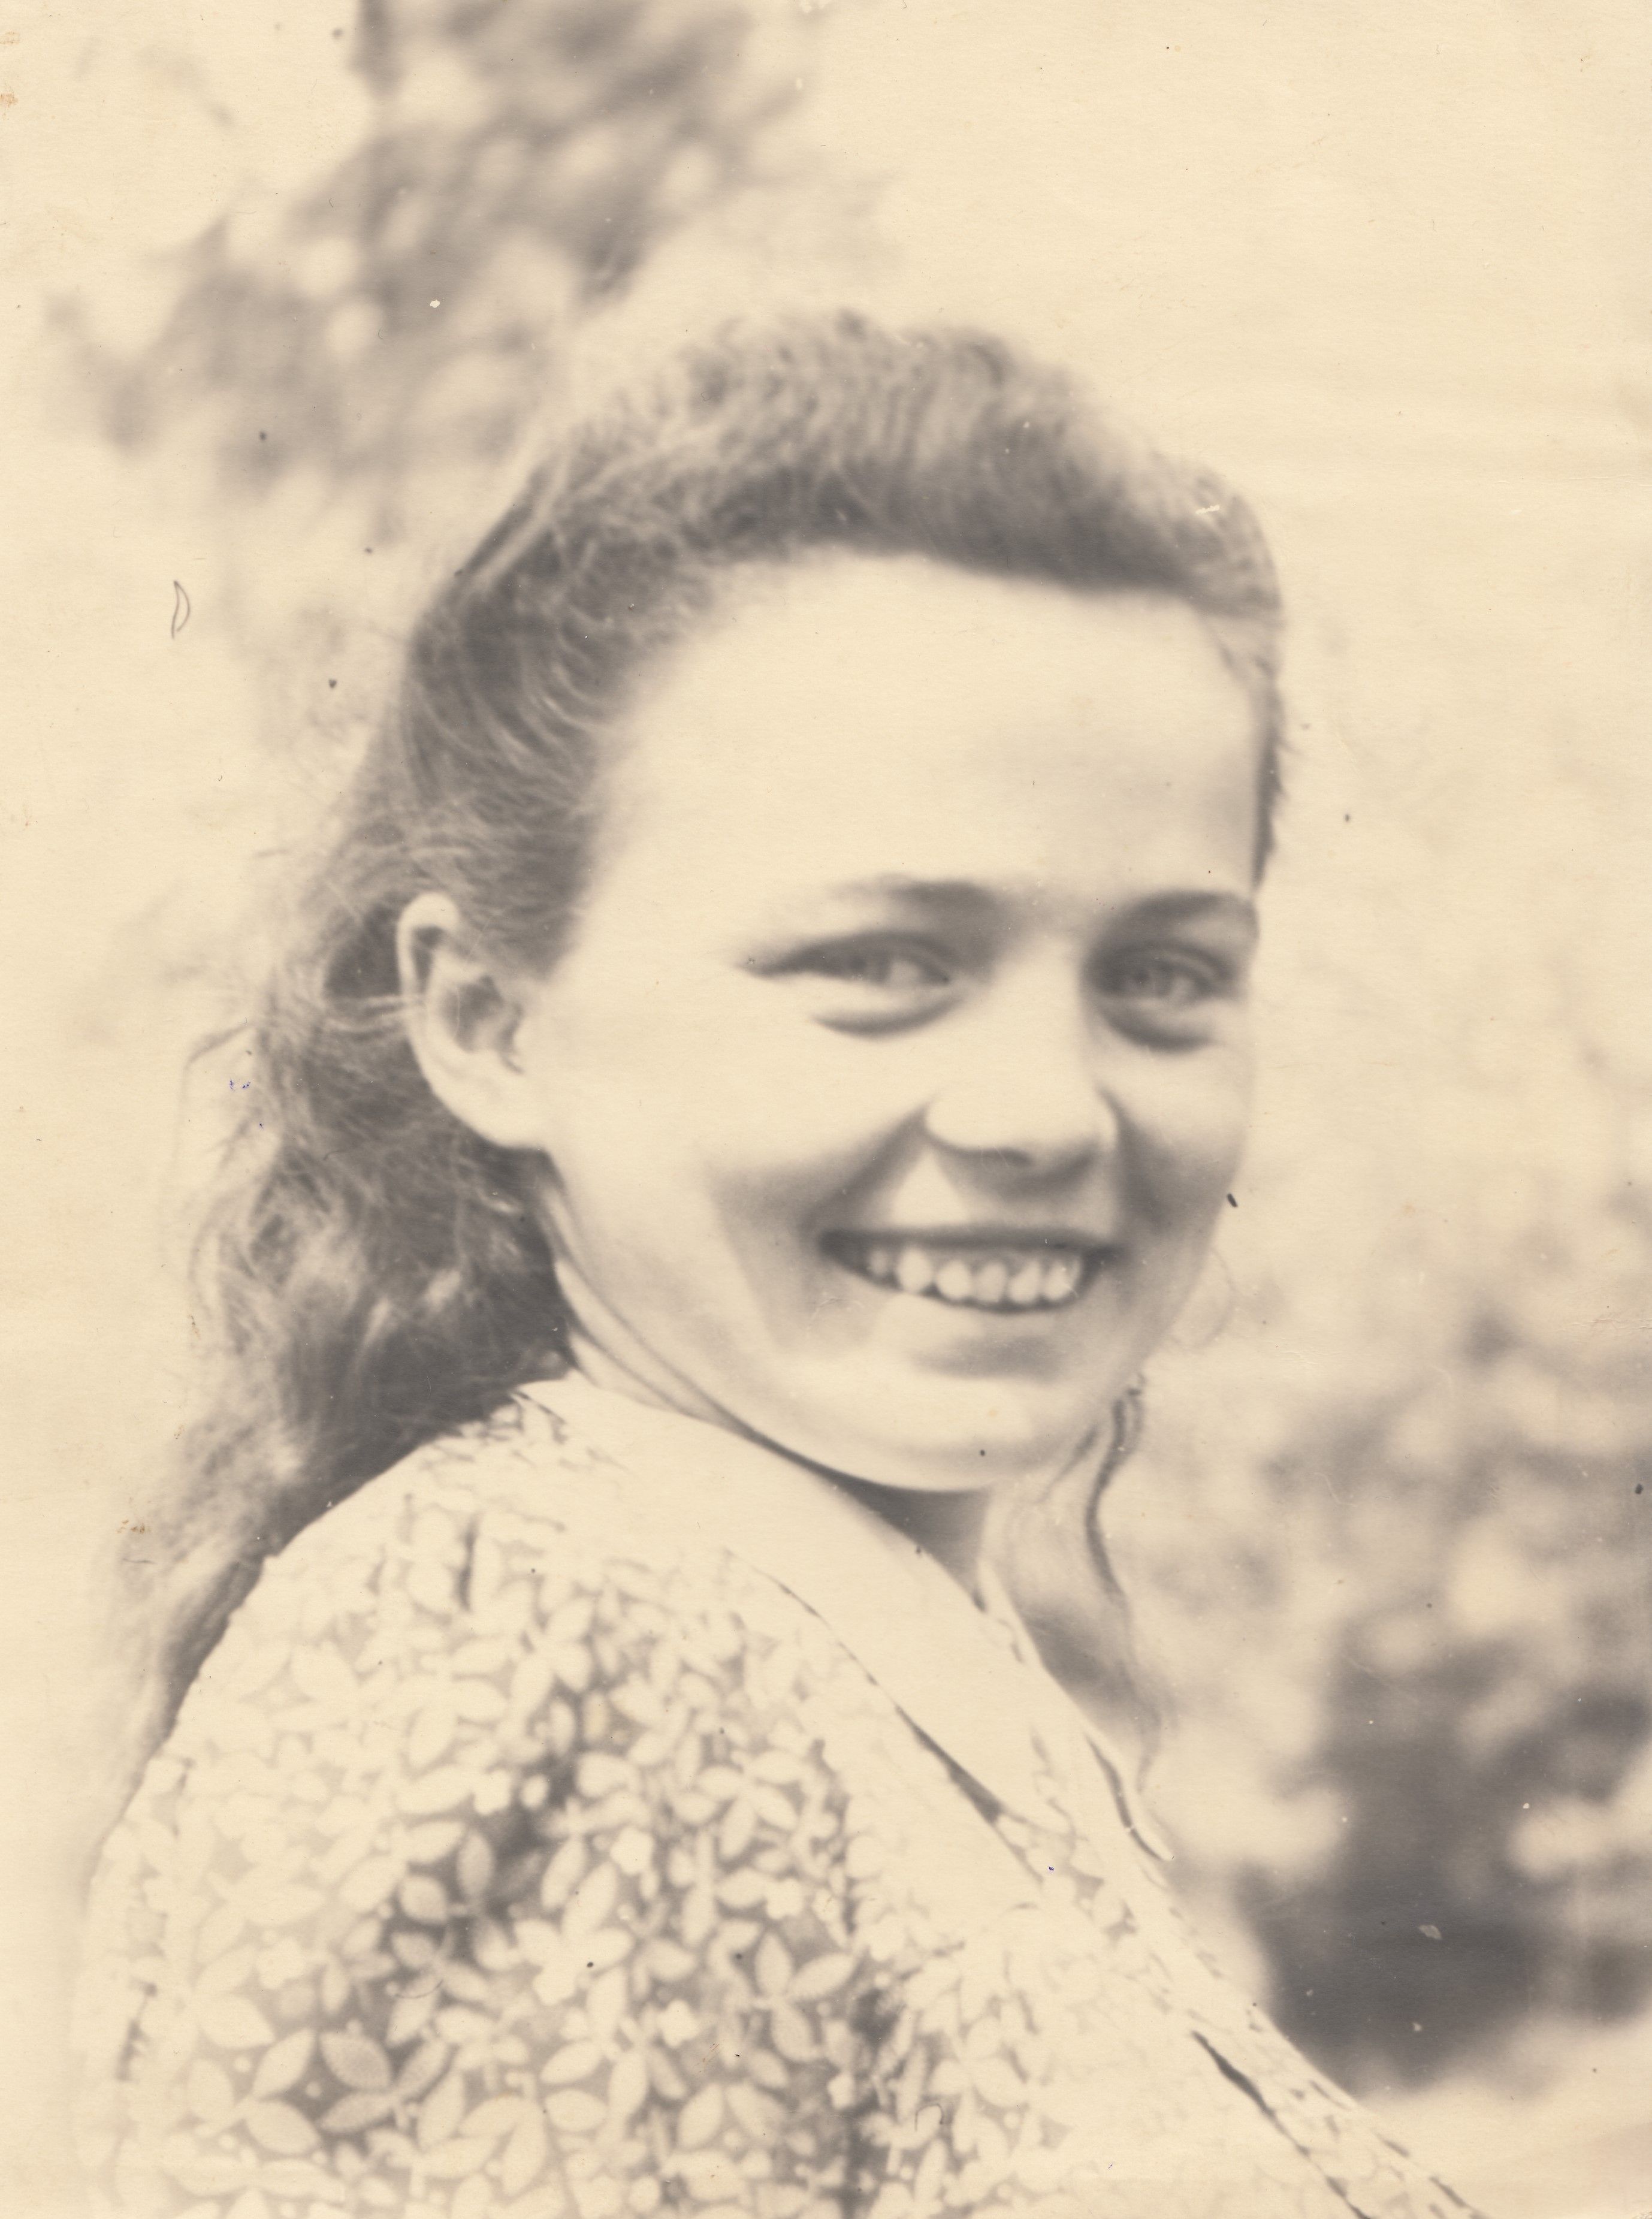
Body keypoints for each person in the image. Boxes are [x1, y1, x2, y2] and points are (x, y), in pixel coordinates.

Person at [74, 313, 1477, 2217]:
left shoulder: (838, 1623)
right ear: (490, 1021)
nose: (1046, 1111)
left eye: (1160, 974)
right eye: (881, 963)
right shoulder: (536, 1660)